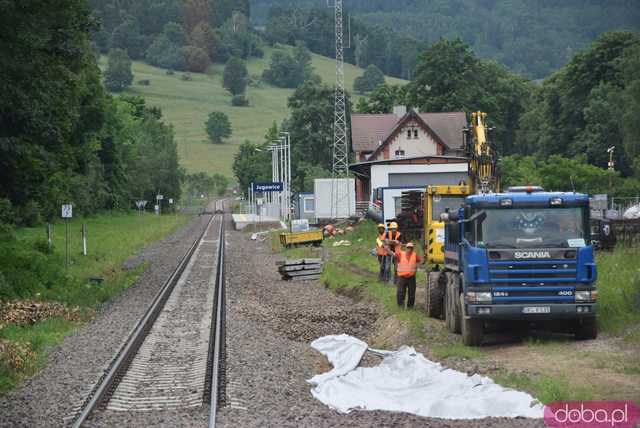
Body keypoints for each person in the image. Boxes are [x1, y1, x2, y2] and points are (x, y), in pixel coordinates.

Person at [394, 242, 424, 309]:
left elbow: (421, 261)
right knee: (400, 292)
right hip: (402, 277)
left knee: (411, 293)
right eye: (408, 248)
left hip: (411, 278)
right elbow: (393, 254)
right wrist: (387, 248)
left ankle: (410, 307)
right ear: (406, 248)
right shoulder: (401, 254)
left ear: (412, 249)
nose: (409, 249)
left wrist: (420, 262)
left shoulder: (415, 255)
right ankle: (400, 306)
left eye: (411, 248)